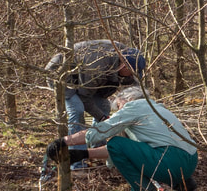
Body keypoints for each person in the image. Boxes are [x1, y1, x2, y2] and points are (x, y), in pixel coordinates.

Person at [45, 86, 197, 191]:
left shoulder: (134, 107)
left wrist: (64, 141)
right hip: (189, 162)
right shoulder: (156, 108)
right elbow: (127, 151)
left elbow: (103, 130)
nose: (118, 112)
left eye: (118, 106)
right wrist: (83, 154)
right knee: (119, 144)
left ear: (127, 100)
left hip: (170, 161)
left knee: (116, 142)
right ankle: (181, 182)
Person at [45, 40, 146, 170]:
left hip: (86, 81)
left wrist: (144, 104)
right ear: (124, 66)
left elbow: (134, 85)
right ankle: (76, 162)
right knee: (77, 109)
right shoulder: (99, 66)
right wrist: (103, 119)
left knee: (104, 106)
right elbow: (84, 98)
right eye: (131, 72)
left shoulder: (128, 56)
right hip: (61, 75)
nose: (132, 75)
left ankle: (96, 152)